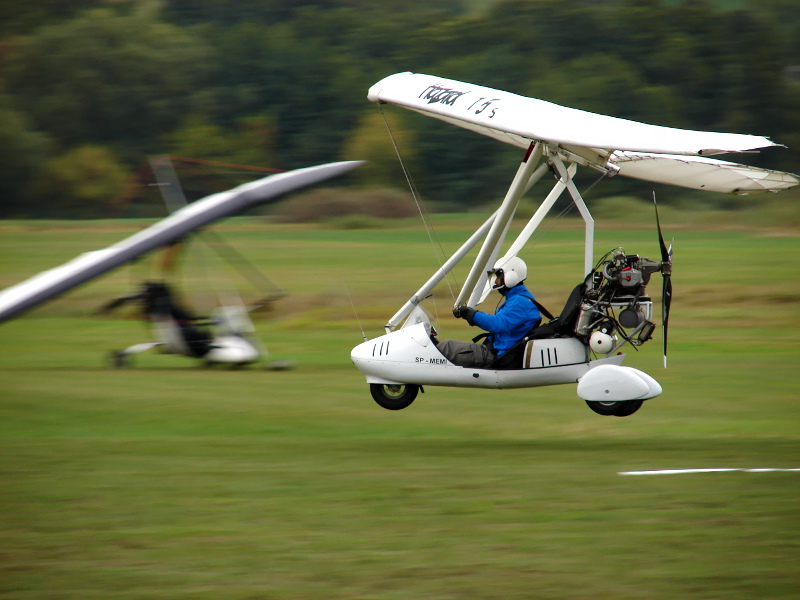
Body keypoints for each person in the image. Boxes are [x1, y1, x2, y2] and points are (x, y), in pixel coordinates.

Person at [436, 256, 541, 368]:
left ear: (511, 277)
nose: (496, 281)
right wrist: (472, 317)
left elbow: (497, 324)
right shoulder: (519, 298)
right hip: (499, 351)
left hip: (497, 356)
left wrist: (471, 314)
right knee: (441, 346)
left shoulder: (520, 302)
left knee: (446, 347)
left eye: (498, 276)